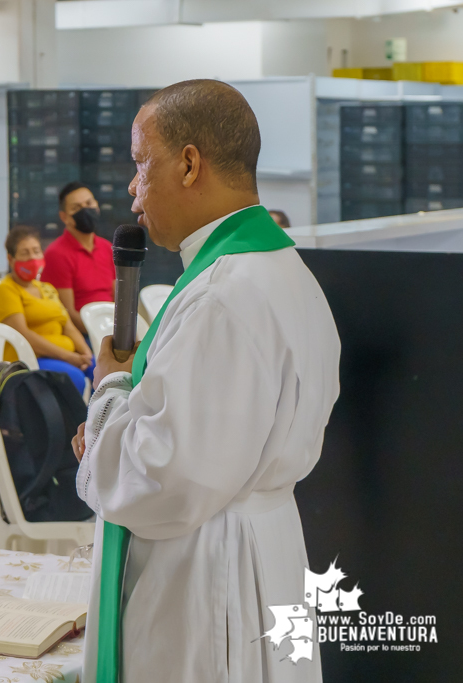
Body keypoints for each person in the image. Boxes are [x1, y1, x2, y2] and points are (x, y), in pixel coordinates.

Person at [71, 80, 340, 683]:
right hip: (261, 546)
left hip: (208, 574)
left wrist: (110, 396)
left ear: (190, 164)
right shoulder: (281, 270)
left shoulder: (222, 295)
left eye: (142, 165)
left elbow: (167, 478)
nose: (134, 191)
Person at [0, 224, 94, 393]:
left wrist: (86, 354)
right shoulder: (6, 290)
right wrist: (69, 357)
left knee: (104, 372)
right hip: (30, 358)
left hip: (64, 356)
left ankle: (97, 419)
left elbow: (68, 326)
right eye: (25, 253)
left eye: (36, 251)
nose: (32, 257)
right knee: (74, 378)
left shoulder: (47, 288)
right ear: (10, 258)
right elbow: (23, 335)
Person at [40, 182, 115, 335]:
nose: (85, 211)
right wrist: (101, 335)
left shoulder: (107, 247)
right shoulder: (57, 254)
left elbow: (118, 298)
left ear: (97, 205)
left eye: (89, 203)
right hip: (84, 335)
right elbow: (67, 313)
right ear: (64, 217)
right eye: (76, 208)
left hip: (110, 328)